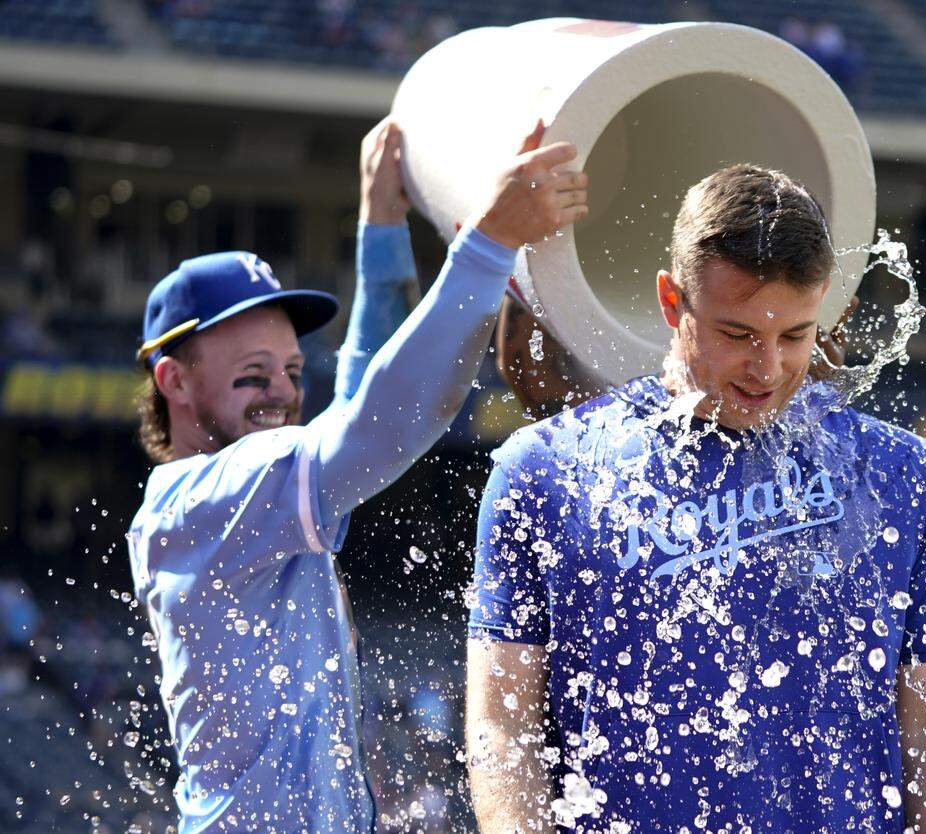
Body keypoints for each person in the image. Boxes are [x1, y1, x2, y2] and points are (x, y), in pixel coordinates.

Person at [467, 165, 926, 833]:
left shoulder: (899, 473)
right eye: (738, 335)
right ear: (671, 302)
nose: (767, 369)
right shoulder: (545, 470)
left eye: (795, 335)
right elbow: (504, 728)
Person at [126, 117, 588, 834]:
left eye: (288, 370)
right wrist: (489, 243)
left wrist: (381, 227)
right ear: (173, 381)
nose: (281, 393)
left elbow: (350, 411)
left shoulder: (238, 492)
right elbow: (377, 427)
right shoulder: (198, 501)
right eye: (253, 376)